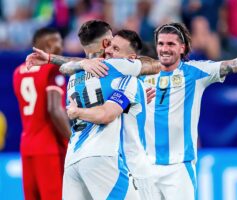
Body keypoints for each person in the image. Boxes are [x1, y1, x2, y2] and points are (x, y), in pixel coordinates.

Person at [140, 22, 237, 200]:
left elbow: (234, 65)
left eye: (170, 44)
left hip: (178, 168)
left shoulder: (195, 72)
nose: (164, 49)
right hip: (146, 166)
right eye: (161, 43)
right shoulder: (143, 73)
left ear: (182, 48)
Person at [25, 20, 161, 200]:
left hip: (73, 160)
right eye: (111, 42)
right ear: (105, 43)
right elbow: (155, 65)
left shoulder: (73, 76)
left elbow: (73, 71)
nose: (112, 48)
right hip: (101, 155)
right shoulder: (117, 67)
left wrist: (55, 59)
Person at [66, 29, 156, 200]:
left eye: (116, 49)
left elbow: (108, 112)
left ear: (131, 60)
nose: (108, 51)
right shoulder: (110, 80)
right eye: (109, 46)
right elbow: (108, 110)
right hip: (113, 162)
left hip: (132, 170)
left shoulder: (129, 82)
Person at [13, 27, 71, 200]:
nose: (61, 46)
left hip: (27, 146)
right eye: (58, 41)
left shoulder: (17, 72)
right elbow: (54, 109)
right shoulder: (52, 70)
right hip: (50, 148)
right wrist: (72, 140)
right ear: (48, 44)